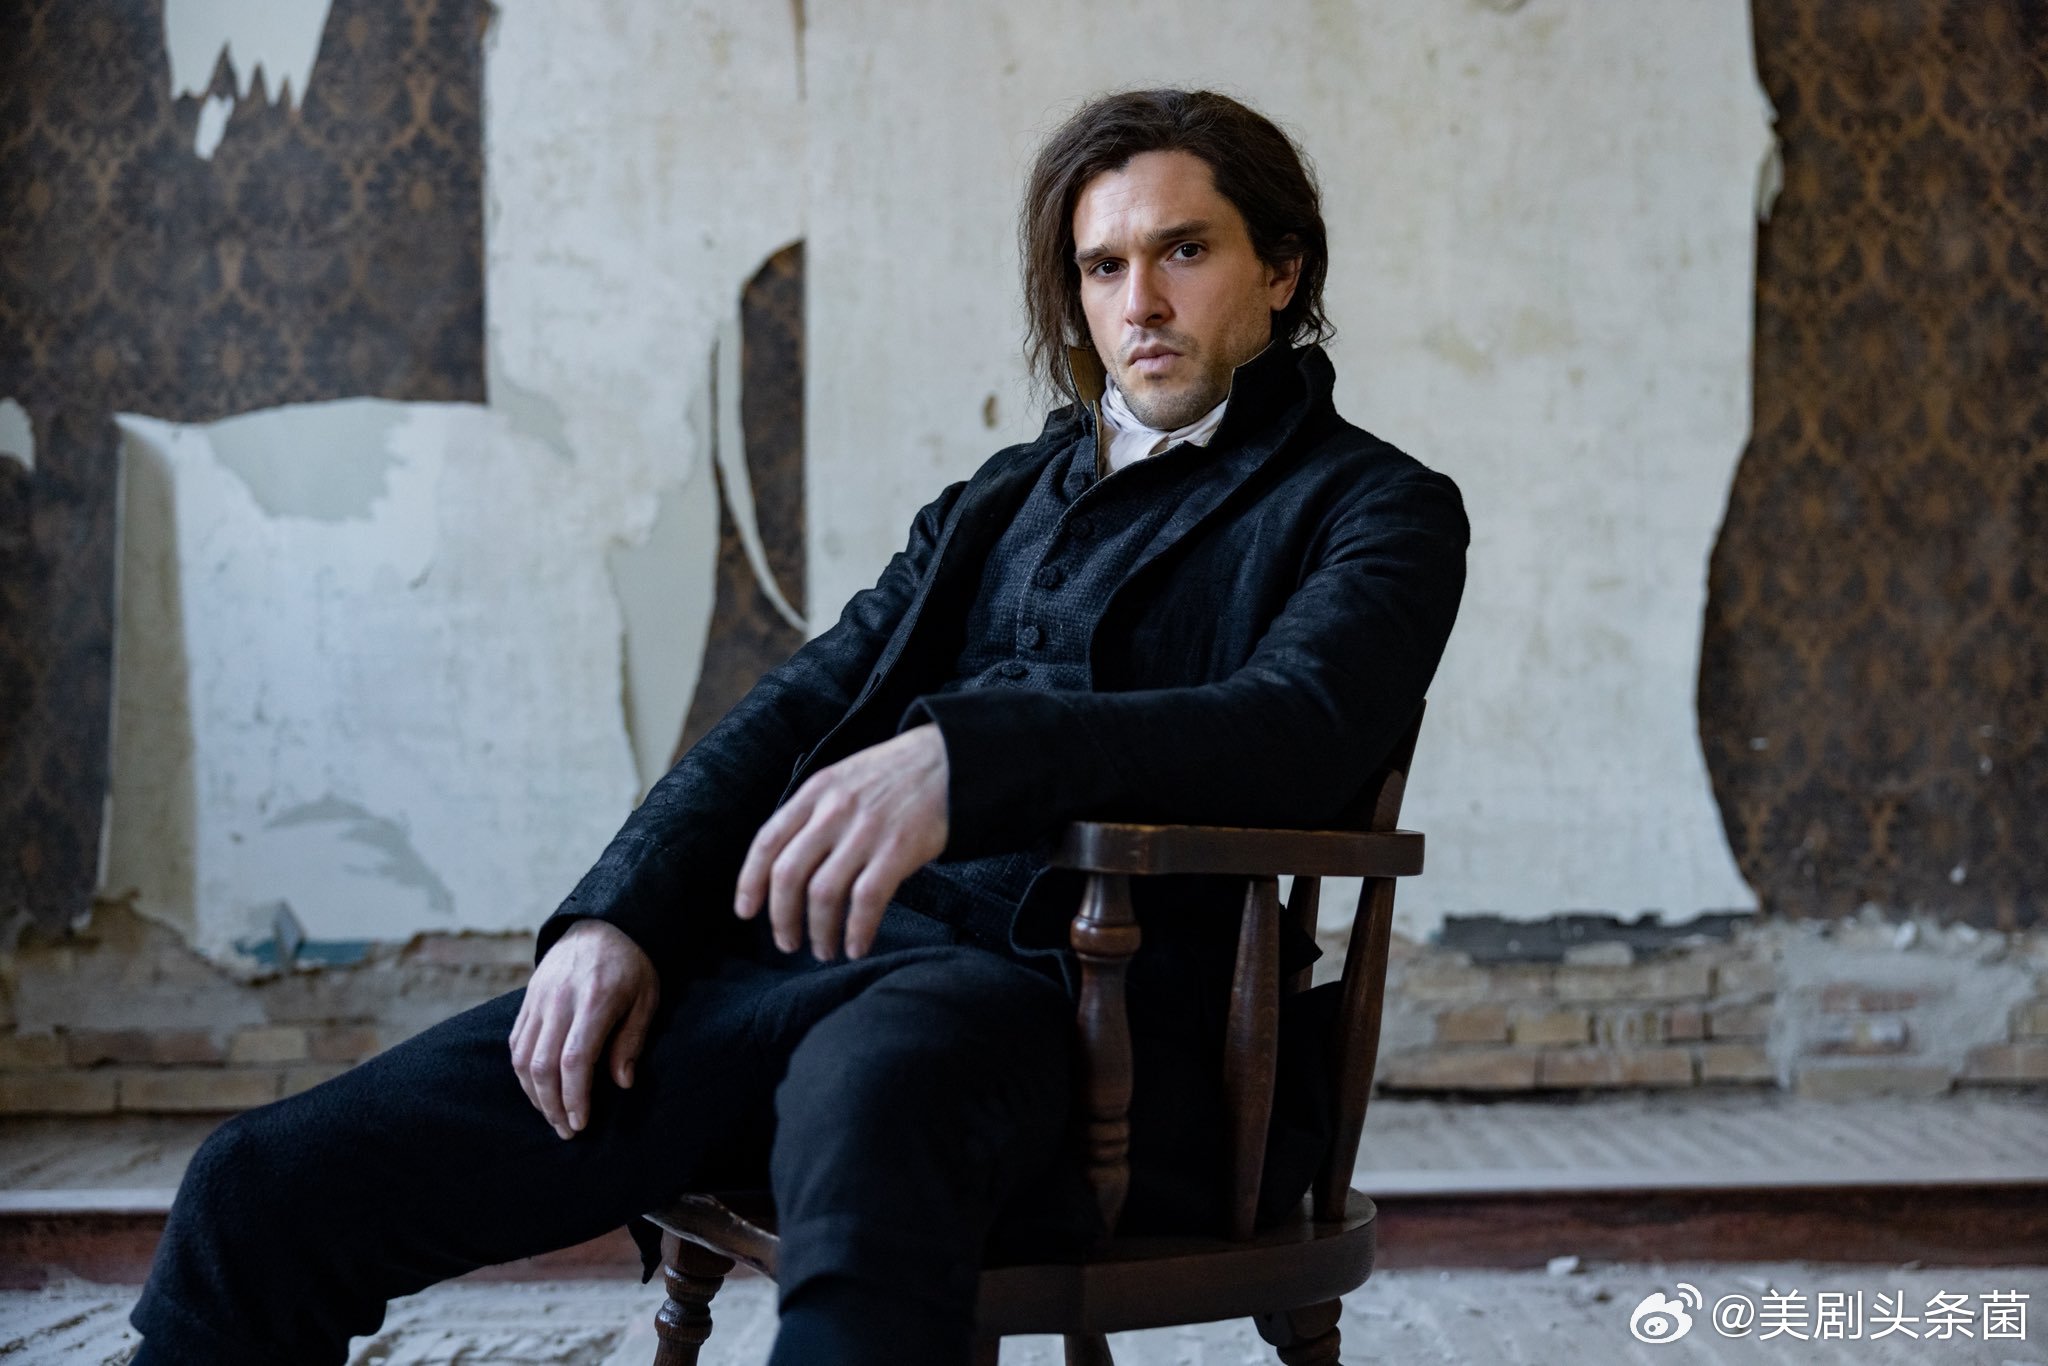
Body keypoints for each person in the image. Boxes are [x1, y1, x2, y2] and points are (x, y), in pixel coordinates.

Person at [127, 87, 1468, 1365]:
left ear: (1281, 271)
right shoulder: (999, 499)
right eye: (1103, 267)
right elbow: (803, 702)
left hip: (1068, 1014)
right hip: (799, 963)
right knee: (260, 1184)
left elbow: (1295, 727)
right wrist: (619, 915)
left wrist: (968, 758)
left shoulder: (1377, 506)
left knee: (873, 1109)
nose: (1141, 303)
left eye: (1184, 251)